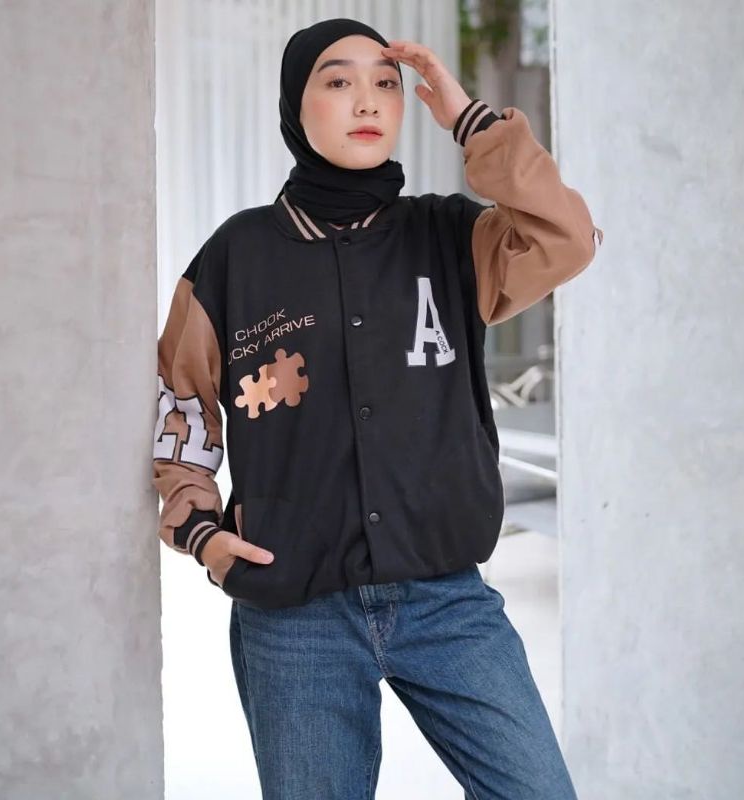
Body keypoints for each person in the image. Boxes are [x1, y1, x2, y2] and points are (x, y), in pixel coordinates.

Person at [153, 16, 601, 799]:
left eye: (386, 83)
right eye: (338, 81)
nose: (367, 100)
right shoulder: (235, 256)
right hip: (295, 616)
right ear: (296, 106)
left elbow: (568, 237)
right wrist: (201, 533)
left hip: (447, 601)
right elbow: (182, 405)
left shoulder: (455, 237)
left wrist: (470, 119)